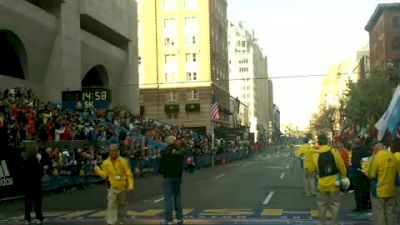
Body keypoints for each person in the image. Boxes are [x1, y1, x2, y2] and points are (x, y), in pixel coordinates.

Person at [311, 134, 347, 225]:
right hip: (334, 183)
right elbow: (341, 165)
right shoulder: (334, 151)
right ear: (327, 141)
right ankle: (334, 223)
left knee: (321, 205)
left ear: (318, 142)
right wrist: (343, 176)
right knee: (334, 204)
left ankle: (322, 223)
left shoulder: (315, 154)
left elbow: (312, 169)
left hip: (321, 184)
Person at [94, 144, 134, 225]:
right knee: (111, 205)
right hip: (112, 188)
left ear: (117, 151)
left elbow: (129, 174)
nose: (112, 152)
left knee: (122, 205)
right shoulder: (106, 163)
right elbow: (104, 175)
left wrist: (131, 186)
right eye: (110, 151)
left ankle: (121, 220)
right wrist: (97, 169)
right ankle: (110, 222)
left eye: (113, 150)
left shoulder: (123, 161)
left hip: (123, 187)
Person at [362, 143, 397, 225]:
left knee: (379, 214)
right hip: (391, 190)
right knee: (389, 214)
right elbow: (396, 173)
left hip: (378, 191)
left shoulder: (376, 157)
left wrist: (365, 173)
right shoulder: (392, 156)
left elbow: (372, 174)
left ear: (375, 150)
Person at [159, 136, 184, 225]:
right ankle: (179, 218)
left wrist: (163, 173)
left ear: (169, 142)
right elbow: (182, 163)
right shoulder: (179, 151)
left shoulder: (165, 151)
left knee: (168, 198)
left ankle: (168, 219)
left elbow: (161, 164)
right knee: (177, 197)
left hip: (168, 176)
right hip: (177, 177)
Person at [23, 144, 44, 225]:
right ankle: (38, 218)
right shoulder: (36, 161)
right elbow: (40, 173)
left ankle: (26, 219)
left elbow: (23, 174)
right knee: (37, 203)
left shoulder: (26, 161)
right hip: (36, 185)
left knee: (28, 203)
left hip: (28, 185)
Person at [350, 138, 371, 211]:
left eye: (351, 143)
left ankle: (360, 205)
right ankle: (366, 204)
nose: (351, 145)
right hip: (364, 172)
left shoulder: (356, 152)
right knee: (365, 188)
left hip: (358, 173)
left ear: (355, 144)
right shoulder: (364, 150)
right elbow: (366, 161)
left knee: (358, 190)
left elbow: (355, 163)